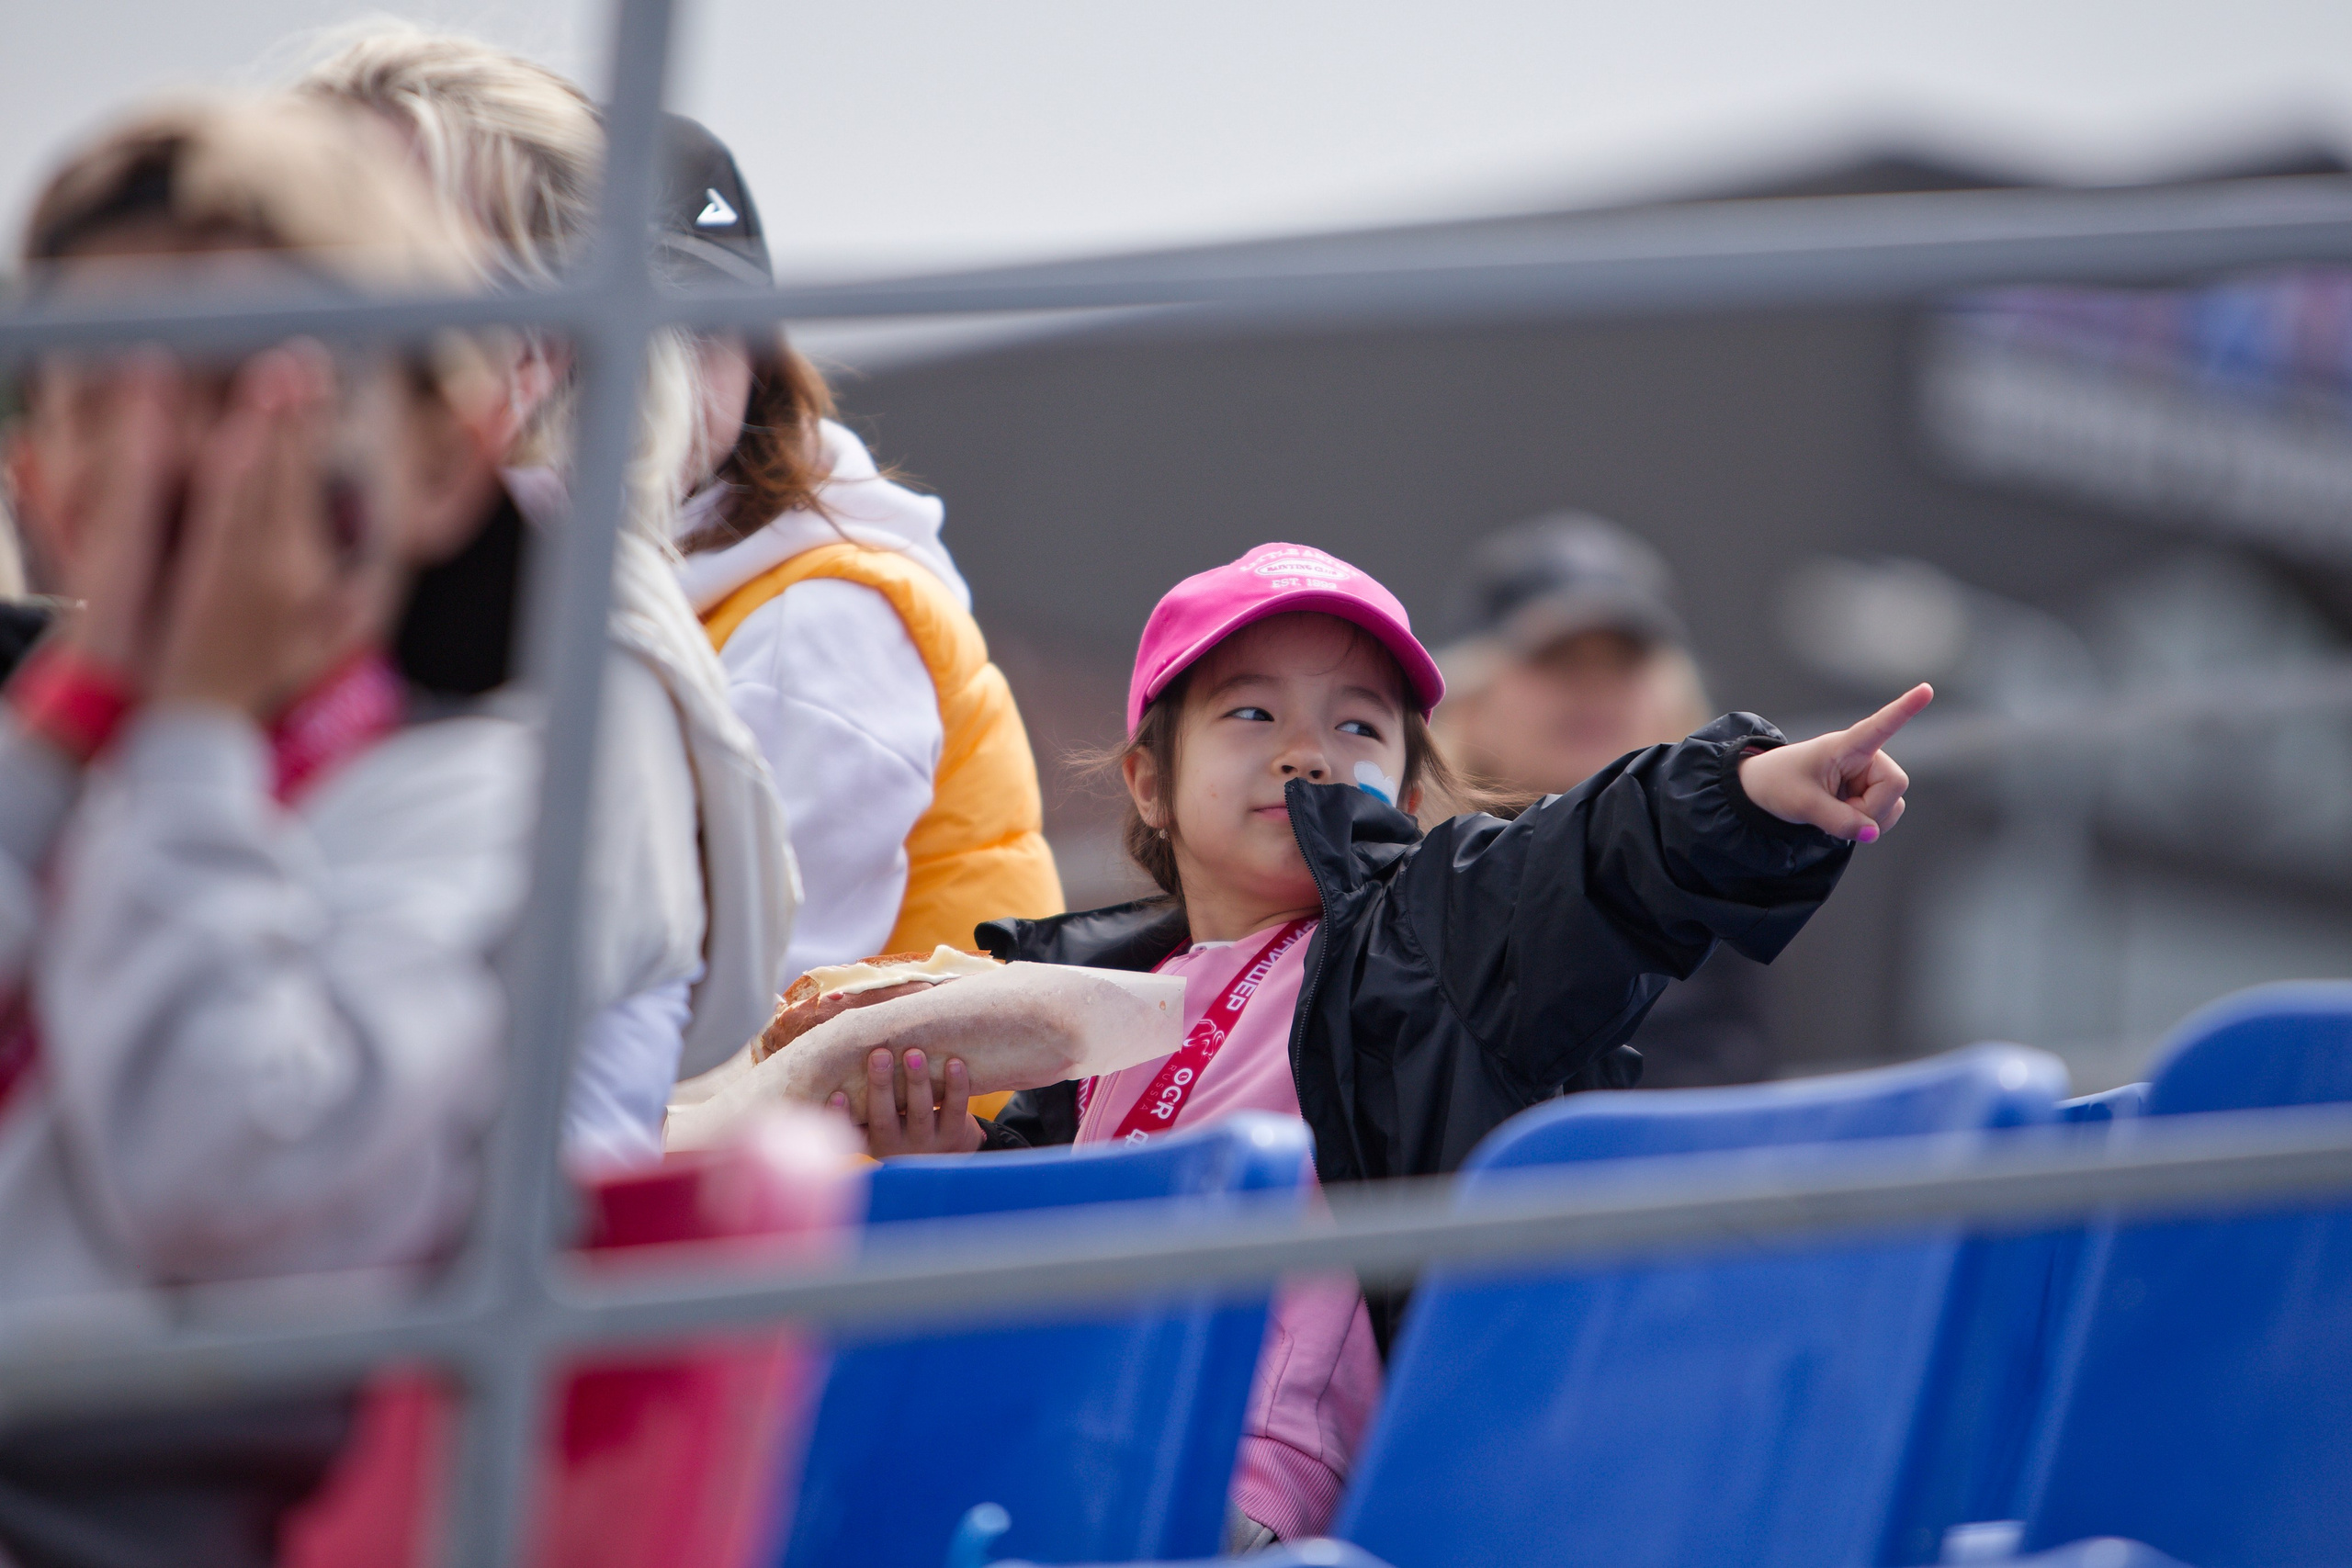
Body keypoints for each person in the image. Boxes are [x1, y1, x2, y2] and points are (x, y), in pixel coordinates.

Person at [813, 540, 1928, 1545]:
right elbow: (1035, 1286)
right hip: (1052, 1458)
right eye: (1249, 714)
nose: (1305, 752)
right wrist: (959, 1165)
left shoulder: (1427, 936)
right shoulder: (1077, 1010)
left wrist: (1740, 796)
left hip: (1257, 1502)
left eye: (1356, 725)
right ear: (1149, 781)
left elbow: (1580, 859)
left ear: (1400, 786)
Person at [0, 95, 533, 1561]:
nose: (173, 461)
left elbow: (229, 1175)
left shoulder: (467, 802)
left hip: (150, 1495)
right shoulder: (52, 764)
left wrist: (188, 736)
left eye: (250, 392)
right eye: (101, 392)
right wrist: (76, 725)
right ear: (34, 478)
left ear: (441, 461)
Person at [299, 30, 799, 1168]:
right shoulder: (370, 608)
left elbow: (276, 1143)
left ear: (533, 356)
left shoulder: (580, 660)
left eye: (364, 263)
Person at [661, 118, 1063, 1123]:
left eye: (702, 328)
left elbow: (726, 1042)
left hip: (891, 1226)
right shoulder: (669, 599)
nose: (657, 375)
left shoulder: (817, 621)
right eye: (611, 334)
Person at [1432, 512, 1778, 1086]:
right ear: (1472, 703)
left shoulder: (1732, 881)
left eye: (1624, 661)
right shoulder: (1406, 889)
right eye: (1557, 659)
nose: (1594, 688)